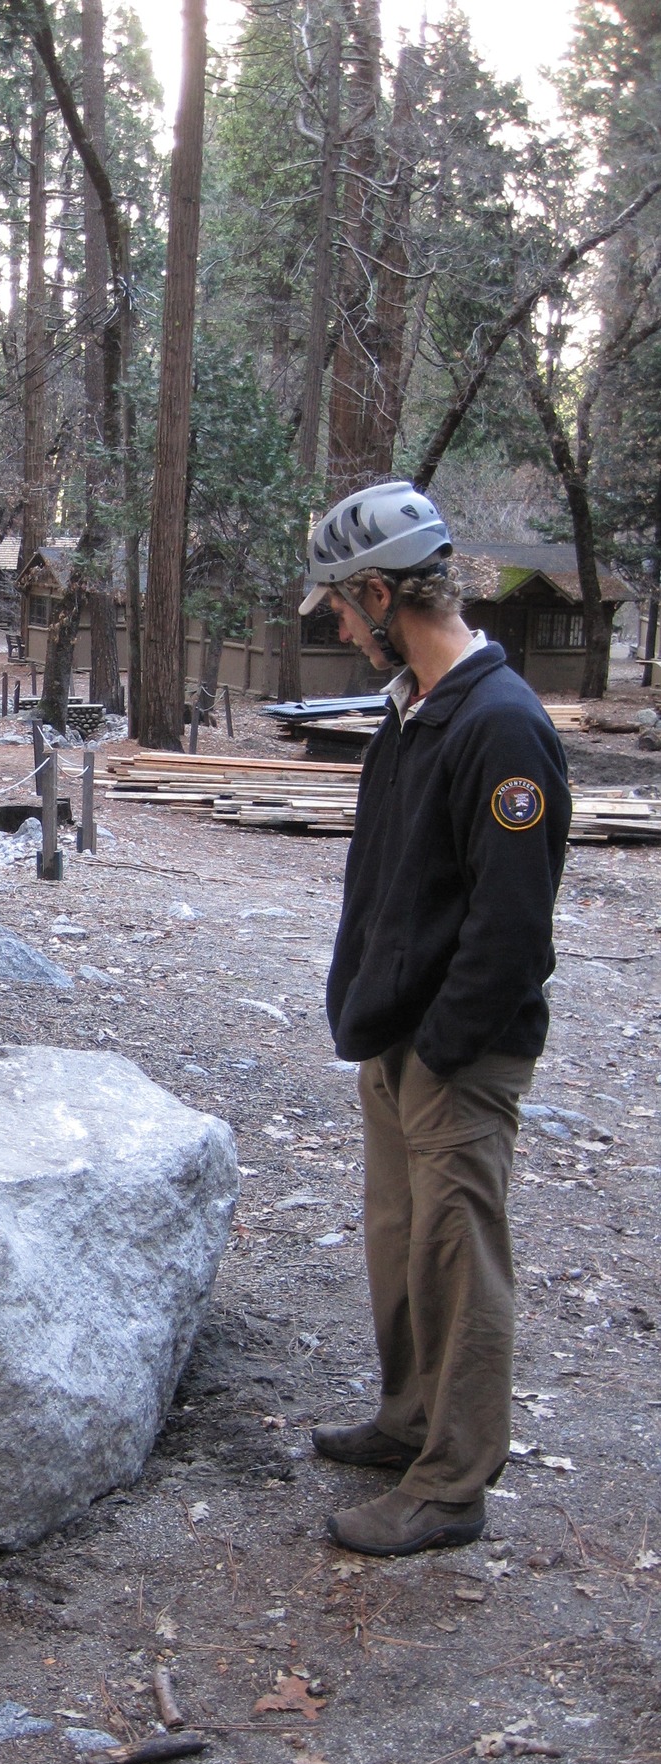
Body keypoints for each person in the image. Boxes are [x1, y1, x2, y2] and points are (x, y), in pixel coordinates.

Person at [301, 480, 571, 1557]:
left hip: (458, 1051)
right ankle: (410, 1420)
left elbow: (512, 929)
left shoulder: (502, 725)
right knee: (402, 1243)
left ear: (378, 591)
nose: (333, 623)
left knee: (460, 1260)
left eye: (337, 604)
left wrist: (444, 1051)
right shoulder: (412, 703)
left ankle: (453, 1482)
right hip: (397, 1034)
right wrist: (374, 1019)